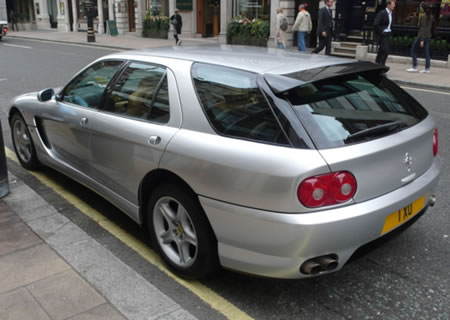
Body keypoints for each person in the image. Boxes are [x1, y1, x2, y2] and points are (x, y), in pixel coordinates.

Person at [407, 3, 434, 73]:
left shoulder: (424, 17)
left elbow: (422, 28)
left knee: (413, 50)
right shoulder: (431, 16)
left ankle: (414, 66)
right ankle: (427, 68)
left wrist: (422, 40)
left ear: (423, 8)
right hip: (428, 36)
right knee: (427, 53)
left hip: (421, 36)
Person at [374, 0, 396, 66]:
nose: (394, 6)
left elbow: (390, 24)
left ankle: (377, 63)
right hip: (383, 34)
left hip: (388, 34)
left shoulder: (391, 13)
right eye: (393, 4)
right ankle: (382, 65)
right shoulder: (382, 13)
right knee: (386, 50)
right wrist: (381, 31)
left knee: (381, 50)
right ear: (388, 5)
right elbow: (376, 23)